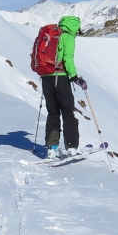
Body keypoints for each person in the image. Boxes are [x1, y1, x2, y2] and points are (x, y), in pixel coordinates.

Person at [42, 15, 87, 159]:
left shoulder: (52, 34)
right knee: (68, 113)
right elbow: (68, 58)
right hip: (60, 78)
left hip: (46, 78)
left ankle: (52, 148)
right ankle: (72, 147)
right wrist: (75, 78)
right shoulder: (68, 37)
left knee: (53, 113)